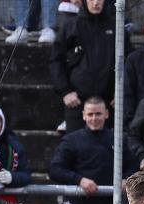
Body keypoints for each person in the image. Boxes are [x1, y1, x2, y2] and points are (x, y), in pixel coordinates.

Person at [49, 96, 133, 204]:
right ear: (84, 115)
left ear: (106, 114)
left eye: (98, 114)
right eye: (90, 114)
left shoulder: (119, 139)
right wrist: (80, 180)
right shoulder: (71, 140)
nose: (94, 118)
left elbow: (133, 165)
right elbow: (55, 169)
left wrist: (127, 179)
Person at [50, 0, 123, 133]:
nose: (96, 3)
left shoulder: (116, 27)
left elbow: (128, 62)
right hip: (77, 102)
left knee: (107, 150)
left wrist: (120, 92)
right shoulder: (70, 26)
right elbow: (56, 60)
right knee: (75, 148)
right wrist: (65, 91)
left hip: (109, 102)